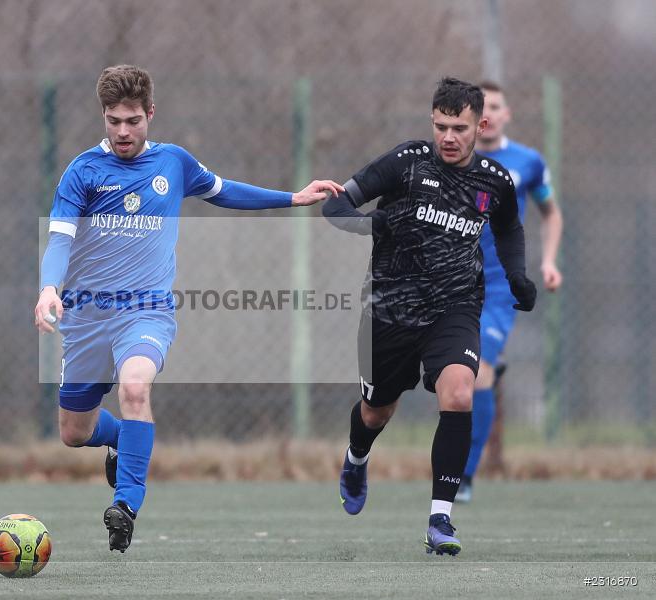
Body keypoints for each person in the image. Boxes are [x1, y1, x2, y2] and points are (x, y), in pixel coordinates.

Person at [34, 65, 343, 553]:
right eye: (113, 120)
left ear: (150, 114)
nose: (122, 131)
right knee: (75, 433)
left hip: (146, 311)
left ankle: (127, 504)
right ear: (103, 117)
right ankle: (124, 441)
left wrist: (292, 197)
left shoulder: (174, 164)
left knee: (135, 387)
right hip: (88, 317)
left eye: (132, 120)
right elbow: (59, 239)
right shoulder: (82, 172)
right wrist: (49, 288)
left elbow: (226, 192)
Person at [322, 77, 537, 556]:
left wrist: (517, 276)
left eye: (459, 128)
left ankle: (441, 518)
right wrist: (373, 223)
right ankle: (357, 458)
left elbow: (510, 230)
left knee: (460, 391)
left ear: (479, 126)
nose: (448, 137)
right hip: (390, 311)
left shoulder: (495, 182)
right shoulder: (406, 163)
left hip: (455, 307)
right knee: (377, 411)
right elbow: (335, 205)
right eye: (440, 126)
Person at [455, 81, 564, 503]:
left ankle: (462, 476)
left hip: (498, 287)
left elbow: (551, 214)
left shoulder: (528, 163)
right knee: (451, 376)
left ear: (506, 113)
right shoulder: (453, 157)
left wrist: (549, 261)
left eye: (494, 106)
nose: (488, 114)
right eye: (480, 106)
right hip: (451, 280)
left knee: (477, 371)